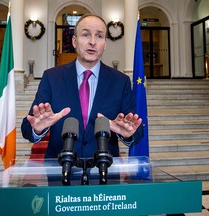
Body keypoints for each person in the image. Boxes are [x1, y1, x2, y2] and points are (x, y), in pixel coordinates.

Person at [21, 14, 143, 159]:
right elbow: (27, 128)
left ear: (105, 44)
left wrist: (128, 133)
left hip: (104, 171)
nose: (92, 42)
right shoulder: (52, 78)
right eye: (85, 35)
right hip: (61, 171)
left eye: (99, 36)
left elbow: (137, 130)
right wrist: (38, 129)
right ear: (74, 41)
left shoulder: (120, 81)